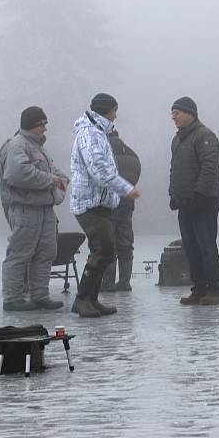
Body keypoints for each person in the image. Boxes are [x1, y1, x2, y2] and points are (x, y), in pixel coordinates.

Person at [69, 93, 140, 318]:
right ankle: (82, 300)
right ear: (106, 110)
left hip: (100, 202)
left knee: (104, 250)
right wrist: (126, 188)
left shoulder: (98, 132)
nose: (116, 115)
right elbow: (99, 169)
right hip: (89, 203)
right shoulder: (90, 134)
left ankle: (91, 298)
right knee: (104, 249)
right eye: (114, 110)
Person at [0, 106, 69, 311]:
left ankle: (40, 295)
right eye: (41, 124)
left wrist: (61, 179)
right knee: (20, 253)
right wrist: (52, 180)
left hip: (45, 209)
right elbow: (18, 173)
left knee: (46, 252)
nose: (45, 129)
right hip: (26, 210)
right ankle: (12, 298)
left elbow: (54, 171)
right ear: (31, 125)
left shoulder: (38, 147)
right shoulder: (17, 146)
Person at [169, 96, 219, 306]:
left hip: (205, 202)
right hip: (184, 202)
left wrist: (199, 195)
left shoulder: (205, 136)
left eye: (177, 113)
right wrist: (172, 194)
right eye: (172, 113)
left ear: (190, 113)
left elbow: (209, 168)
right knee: (190, 247)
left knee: (206, 246)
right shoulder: (177, 140)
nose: (173, 117)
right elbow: (174, 169)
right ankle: (199, 289)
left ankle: (214, 290)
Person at [100, 129, 141, 292]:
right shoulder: (132, 155)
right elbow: (134, 178)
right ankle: (125, 282)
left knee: (108, 243)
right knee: (125, 243)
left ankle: (108, 283)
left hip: (107, 205)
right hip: (126, 205)